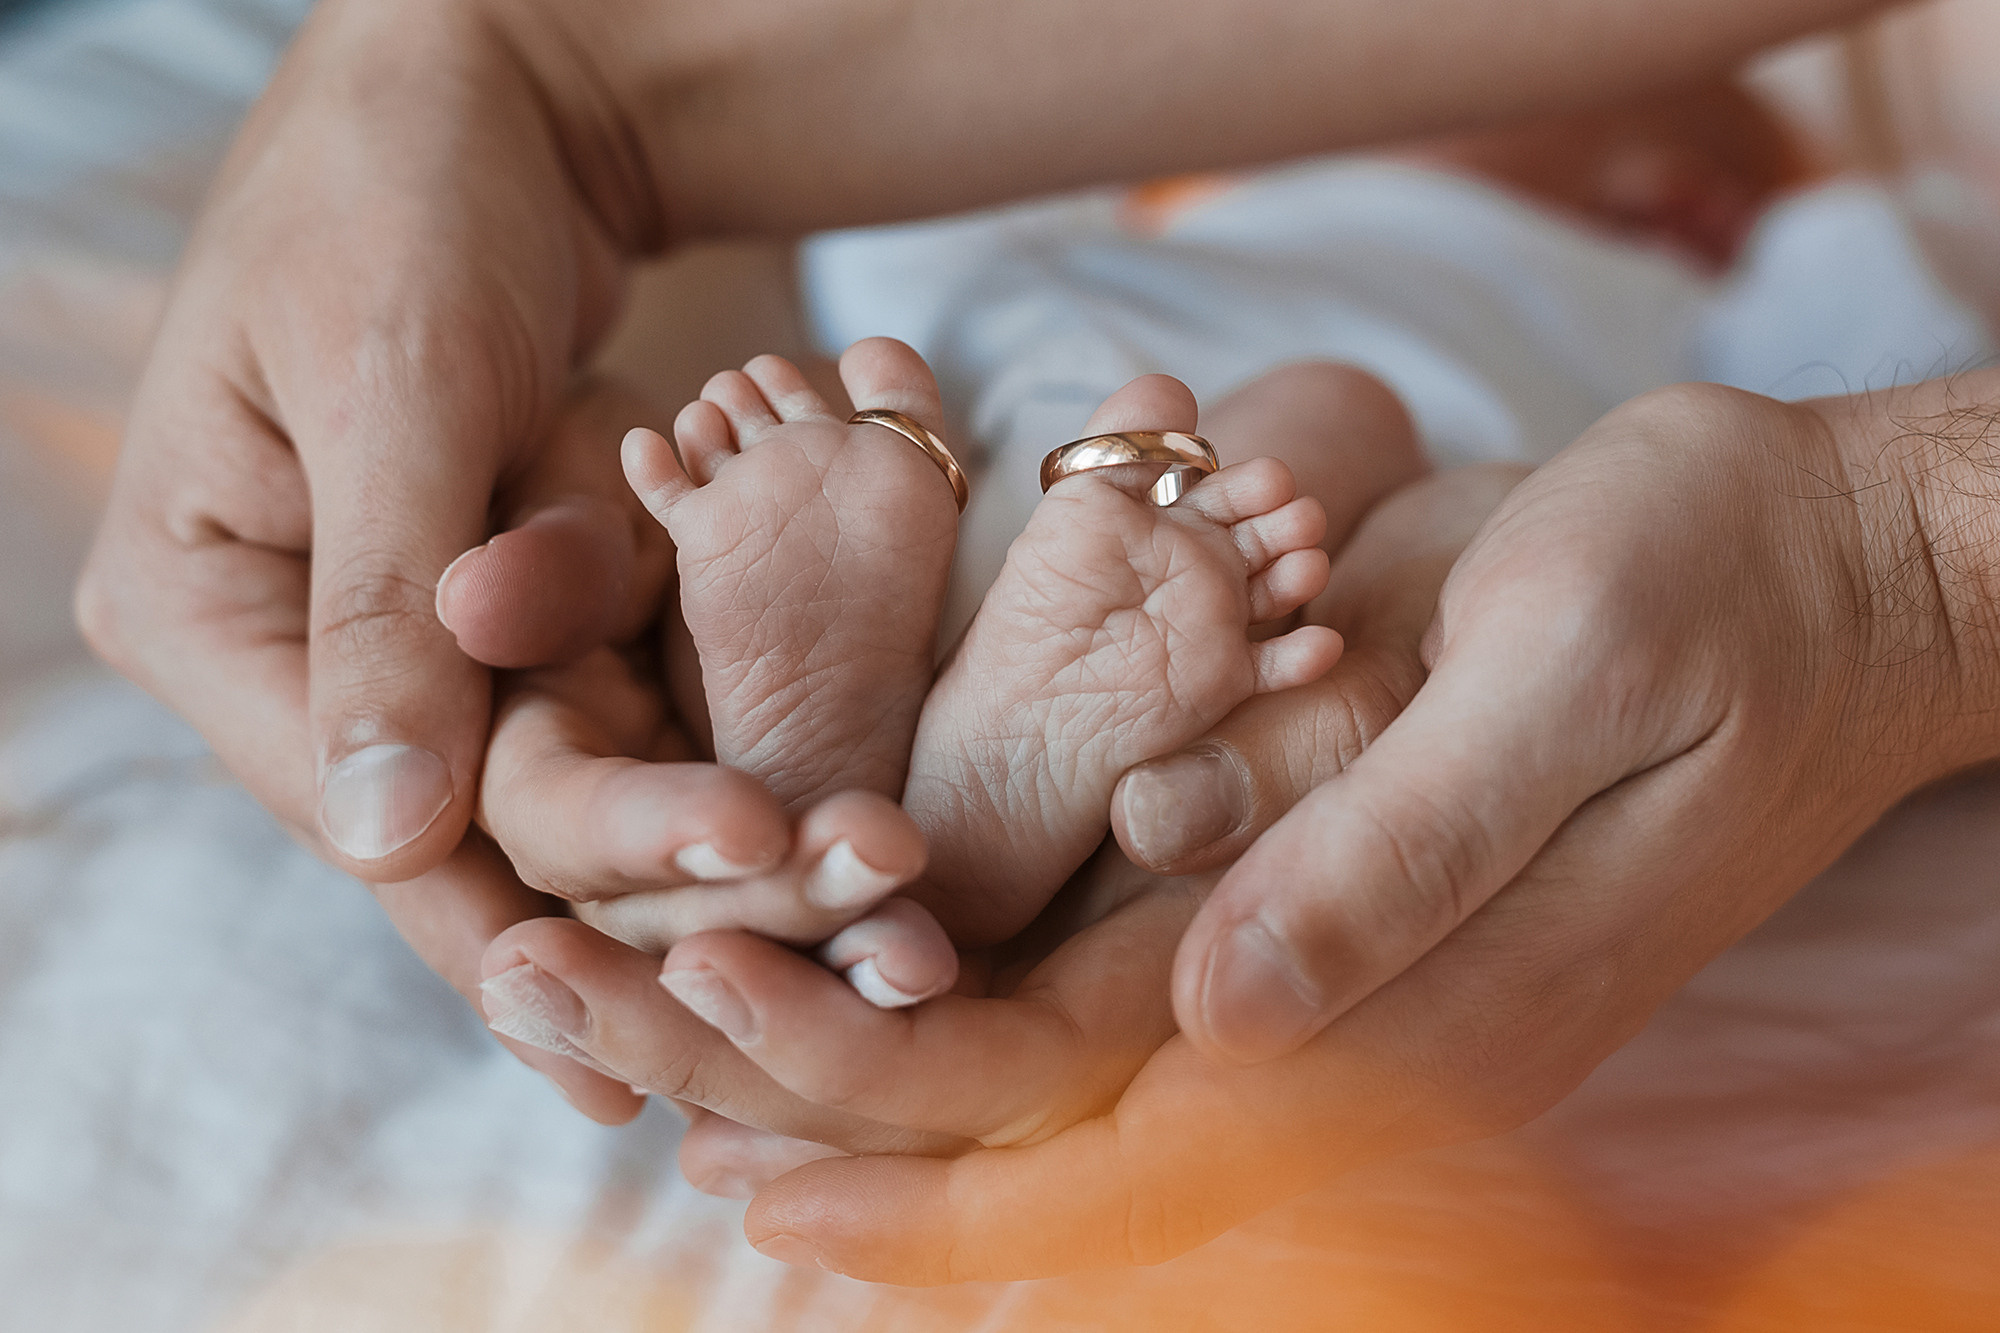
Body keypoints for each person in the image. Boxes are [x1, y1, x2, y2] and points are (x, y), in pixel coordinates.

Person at [77, 0, 2000, 1281]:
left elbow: (1900, 329)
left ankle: (859, 787)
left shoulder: (1724, 245)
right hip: (1091, 462)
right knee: (1118, 454)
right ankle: (893, 758)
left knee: (1291, 440)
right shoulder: (1166, 177)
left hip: (1192, 449)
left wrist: (1893, 549)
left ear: (1684, 182)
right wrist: (536, 73)